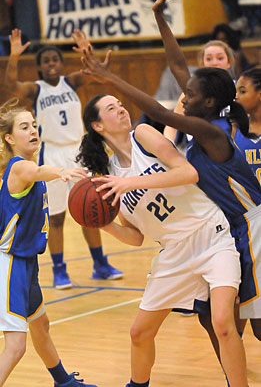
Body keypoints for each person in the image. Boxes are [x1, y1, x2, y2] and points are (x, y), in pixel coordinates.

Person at [77, 0, 261, 384]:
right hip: (192, 242)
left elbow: (165, 119)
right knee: (209, 325)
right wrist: (160, 17)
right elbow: (180, 67)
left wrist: (108, 78)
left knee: (242, 323)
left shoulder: (206, 130)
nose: (183, 92)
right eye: (110, 108)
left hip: (240, 227)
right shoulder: (196, 118)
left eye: (189, 92)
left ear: (206, 102)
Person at [75, 92, 247, 387]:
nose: (121, 110)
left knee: (223, 323)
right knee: (139, 333)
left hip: (212, 235)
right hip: (174, 253)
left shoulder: (143, 135)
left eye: (120, 105)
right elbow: (136, 236)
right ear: (97, 126)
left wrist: (129, 183)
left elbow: (188, 172)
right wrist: (104, 225)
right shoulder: (109, 176)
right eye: (111, 109)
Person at [4, 28, 123, 289]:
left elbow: (95, 70)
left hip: (79, 151)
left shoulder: (71, 81)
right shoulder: (37, 90)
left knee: (91, 207)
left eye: (54, 60)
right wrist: (13, 56)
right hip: (53, 153)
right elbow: (11, 86)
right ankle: (59, 269)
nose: (51, 65)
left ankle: (100, 264)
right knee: (56, 217)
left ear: (60, 62)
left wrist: (86, 48)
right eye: (45, 61)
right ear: (39, 67)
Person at [0, 99, 96, 387]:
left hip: (27, 263)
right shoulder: (20, 168)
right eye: (24, 127)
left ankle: (63, 381)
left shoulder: (24, 166)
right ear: (9, 138)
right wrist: (61, 172)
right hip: (9, 263)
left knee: (40, 325)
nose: (33, 130)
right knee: (16, 346)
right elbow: (37, 173)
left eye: (34, 125)